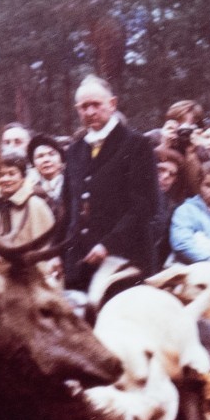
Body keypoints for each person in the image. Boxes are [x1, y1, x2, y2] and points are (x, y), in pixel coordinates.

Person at [61, 74, 162, 286]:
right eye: (83, 107)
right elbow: (69, 209)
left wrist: (108, 245)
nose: (90, 112)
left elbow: (145, 206)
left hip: (125, 262)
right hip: (80, 264)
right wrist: (58, 254)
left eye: (96, 104)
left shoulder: (137, 145)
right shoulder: (74, 150)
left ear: (112, 104)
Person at [0, 150, 56, 278]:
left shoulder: (35, 205)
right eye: (1, 175)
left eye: (12, 174)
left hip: (24, 277)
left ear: (22, 176)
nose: (6, 179)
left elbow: (45, 248)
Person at [28, 133, 66, 206]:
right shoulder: (29, 188)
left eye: (51, 154)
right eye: (40, 156)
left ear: (61, 158)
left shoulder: (71, 183)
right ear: (33, 163)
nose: (46, 160)